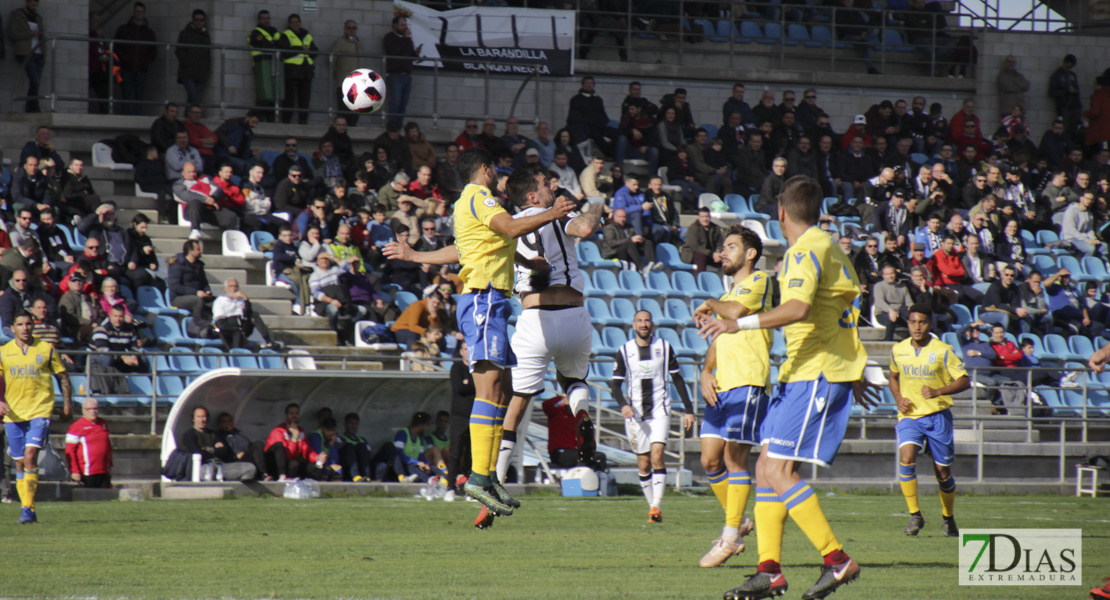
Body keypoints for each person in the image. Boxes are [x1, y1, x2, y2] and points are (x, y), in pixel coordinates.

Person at [698, 177, 873, 600]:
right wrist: (857, 368)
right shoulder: (830, 247)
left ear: (780, 213)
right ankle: (769, 570)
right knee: (764, 470)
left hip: (816, 371)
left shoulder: (805, 252)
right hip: (807, 370)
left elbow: (798, 308)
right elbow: (842, 308)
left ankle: (836, 560)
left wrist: (735, 322)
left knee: (776, 471)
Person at [387, 149, 572, 516]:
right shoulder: (480, 196)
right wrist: (554, 212)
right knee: (489, 390)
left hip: (493, 302)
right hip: (484, 300)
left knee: (503, 388)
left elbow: (470, 248)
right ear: (485, 169)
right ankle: (477, 476)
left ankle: (487, 476)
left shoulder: (465, 204)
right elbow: (509, 228)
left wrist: (524, 261)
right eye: (497, 170)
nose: (501, 178)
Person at [692, 226, 769, 567]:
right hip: (721, 386)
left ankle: (730, 535)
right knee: (710, 460)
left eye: (731, 246)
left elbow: (735, 313)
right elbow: (719, 340)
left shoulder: (759, 281)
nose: (723, 252)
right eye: (722, 247)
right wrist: (706, 372)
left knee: (735, 460)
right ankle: (739, 521)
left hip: (748, 382)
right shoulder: (731, 292)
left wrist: (711, 303)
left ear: (750, 253)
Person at [890, 305, 969, 537]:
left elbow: (964, 381)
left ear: (930, 324)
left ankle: (948, 517)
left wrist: (938, 391)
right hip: (909, 416)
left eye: (922, 322)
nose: (917, 326)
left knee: (942, 472)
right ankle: (915, 516)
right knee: (906, 459)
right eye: (913, 322)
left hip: (937, 416)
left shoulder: (943, 350)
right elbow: (893, 377)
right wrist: (898, 399)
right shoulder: (898, 350)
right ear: (908, 324)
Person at [612, 310, 692, 524]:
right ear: (633, 324)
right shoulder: (625, 350)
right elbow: (615, 385)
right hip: (636, 414)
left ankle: (656, 505)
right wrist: (623, 405)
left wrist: (689, 409)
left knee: (657, 457)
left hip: (660, 411)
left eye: (647, 320)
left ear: (652, 324)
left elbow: (677, 379)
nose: (644, 324)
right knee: (644, 464)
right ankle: (653, 509)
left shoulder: (664, 347)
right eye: (639, 320)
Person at [0, 311, 71, 523]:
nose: (25, 328)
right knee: (19, 463)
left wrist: (67, 404)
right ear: (13, 328)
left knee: (31, 456)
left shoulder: (46, 349)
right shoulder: (4, 352)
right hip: (14, 413)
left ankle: (26, 509)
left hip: (40, 409)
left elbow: (63, 376)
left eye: (28, 324)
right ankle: (28, 508)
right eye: (20, 324)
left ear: (33, 326)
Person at [114, 2, 156, 116]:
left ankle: (137, 116)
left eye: (141, 11)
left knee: (139, 95)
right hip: (126, 67)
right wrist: (124, 59)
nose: (139, 14)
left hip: (142, 69)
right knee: (126, 94)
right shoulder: (124, 29)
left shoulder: (149, 32)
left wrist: (146, 61)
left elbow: (153, 51)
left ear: (144, 13)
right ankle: (126, 116)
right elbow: (117, 47)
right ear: (133, 13)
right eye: (137, 11)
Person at [212, 278, 275, 349]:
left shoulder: (240, 299)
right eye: (231, 286)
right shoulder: (220, 301)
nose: (234, 289)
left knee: (254, 315)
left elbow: (248, 313)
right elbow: (220, 321)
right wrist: (237, 329)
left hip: (242, 324)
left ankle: (268, 341)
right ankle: (236, 352)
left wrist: (245, 299)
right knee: (237, 331)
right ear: (225, 288)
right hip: (229, 327)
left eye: (236, 286)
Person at [264, 403, 320, 481]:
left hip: (292, 463)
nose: (294, 415)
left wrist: (317, 457)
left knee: (315, 466)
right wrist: (294, 437)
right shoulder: (278, 431)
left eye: (296, 413)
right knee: (294, 464)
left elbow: (307, 451)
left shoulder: (300, 431)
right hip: (277, 466)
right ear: (286, 416)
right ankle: (285, 480)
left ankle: (313, 487)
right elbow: (287, 455)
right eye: (291, 413)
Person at [64, 398, 111, 488]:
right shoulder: (76, 427)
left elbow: (107, 445)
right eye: (89, 409)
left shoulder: (103, 423)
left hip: (104, 471)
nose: (92, 411)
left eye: (95, 408)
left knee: (106, 499)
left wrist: (110, 464)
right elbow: (70, 451)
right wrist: (74, 471)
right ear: (83, 410)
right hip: (87, 472)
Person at [8, 0, 45, 113]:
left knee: (36, 82)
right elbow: (12, 34)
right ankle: (34, 108)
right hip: (26, 52)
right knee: (35, 81)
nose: (35, 7)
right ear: (27, 3)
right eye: (33, 5)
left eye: (36, 5)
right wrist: (30, 33)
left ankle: (31, 107)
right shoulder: (17, 16)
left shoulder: (38, 17)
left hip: (39, 52)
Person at [382, 16, 420, 127]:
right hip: (395, 75)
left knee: (403, 102)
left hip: (407, 75)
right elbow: (394, 51)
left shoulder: (407, 39)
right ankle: (392, 125)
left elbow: (410, 55)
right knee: (396, 101)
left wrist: (416, 53)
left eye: (405, 25)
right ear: (395, 26)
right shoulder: (389, 37)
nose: (404, 28)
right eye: (402, 25)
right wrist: (405, 39)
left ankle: (399, 125)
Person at [280, 14, 316, 125]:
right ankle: (286, 120)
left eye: (297, 22)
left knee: (304, 99)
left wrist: (305, 51)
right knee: (289, 99)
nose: (295, 24)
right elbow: (285, 52)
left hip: (306, 71)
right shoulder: (286, 34)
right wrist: (301, 49)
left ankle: (303, 120)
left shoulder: (306, 35)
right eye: (293, 22)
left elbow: (315, 50)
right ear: (289, 24)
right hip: (292, 71)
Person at [90, 304, 145, 374]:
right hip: (97, 359)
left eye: (121, 316)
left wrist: (133, 356)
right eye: (115, 316)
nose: (118, 319)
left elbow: (134, 346)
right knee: (108, 359)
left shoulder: (129, 329)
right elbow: (103, 350)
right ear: (110, 315)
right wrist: (123, 357)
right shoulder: (102, 328)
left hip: (118, 358)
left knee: (143, 360)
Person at [602, 207, 657, 275]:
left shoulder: (629, 226)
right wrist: (630, 240)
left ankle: (652, 264)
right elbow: (611, 243)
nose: (622, 219)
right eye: (619, 217)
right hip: (614, 253)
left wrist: (640, 240)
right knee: (629, 243)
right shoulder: (609, 228)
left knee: (647, 242)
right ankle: (642, 268)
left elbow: (633, 241)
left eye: (624, 217)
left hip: (629, 250)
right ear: (614, 217)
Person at [175, 10, 210, 107]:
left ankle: (187, 120)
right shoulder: (185, 33)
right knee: (195, 100)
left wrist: (205, 70)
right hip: (188, 73)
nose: (199, 22)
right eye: (196, 20)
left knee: (192, 101)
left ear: (204, 21)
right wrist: (188, 64)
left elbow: (207, 55)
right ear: (192, 20)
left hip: (200, 74)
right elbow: (179, 51)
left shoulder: (206, 36)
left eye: (201, 20)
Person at [331, 20, 362, 125]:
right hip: (345, 82)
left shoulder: (359, 42)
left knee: (355, 110)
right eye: (349, 28)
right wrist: (339, 73)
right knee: (343, 110)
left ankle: (353, 130)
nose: (351, 30)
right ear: (345, 29)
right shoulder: (340, 42)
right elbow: (332, 59)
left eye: (354, 28)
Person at [682, 207, 723, 273]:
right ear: (699, 217)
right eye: (702, 217)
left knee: (726, 257)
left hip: (711, 254)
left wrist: (718, 252)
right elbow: (695, 247)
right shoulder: (693, 228)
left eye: (707, 216)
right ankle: (700, 279)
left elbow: (720, 243)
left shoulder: (715, 228)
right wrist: (712, 254)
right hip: (692, 254)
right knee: (702, 256)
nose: (705, 219)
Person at [1049, 54, 1082, 134]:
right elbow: (1051, 92)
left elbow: (1077, 89)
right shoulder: (1056, 75)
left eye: (1071, 66)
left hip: (1075, 107)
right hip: (1064, 108)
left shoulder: (1073, 75)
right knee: (1064, 130)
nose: (1069, 68)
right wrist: (1066, 91)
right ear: (1064, 63)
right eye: (1067, 66)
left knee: (1075, 130)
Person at [337, 413, 373, 482]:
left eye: (355, 424)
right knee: (349, 446)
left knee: (362, 446)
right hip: (347, 469)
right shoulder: (340, 439)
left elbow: (370, 455)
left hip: (361, 467)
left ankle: (367, 476)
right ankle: (355, 476)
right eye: (351, 423)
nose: (353, 426)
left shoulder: (363, 440)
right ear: (345, 424)